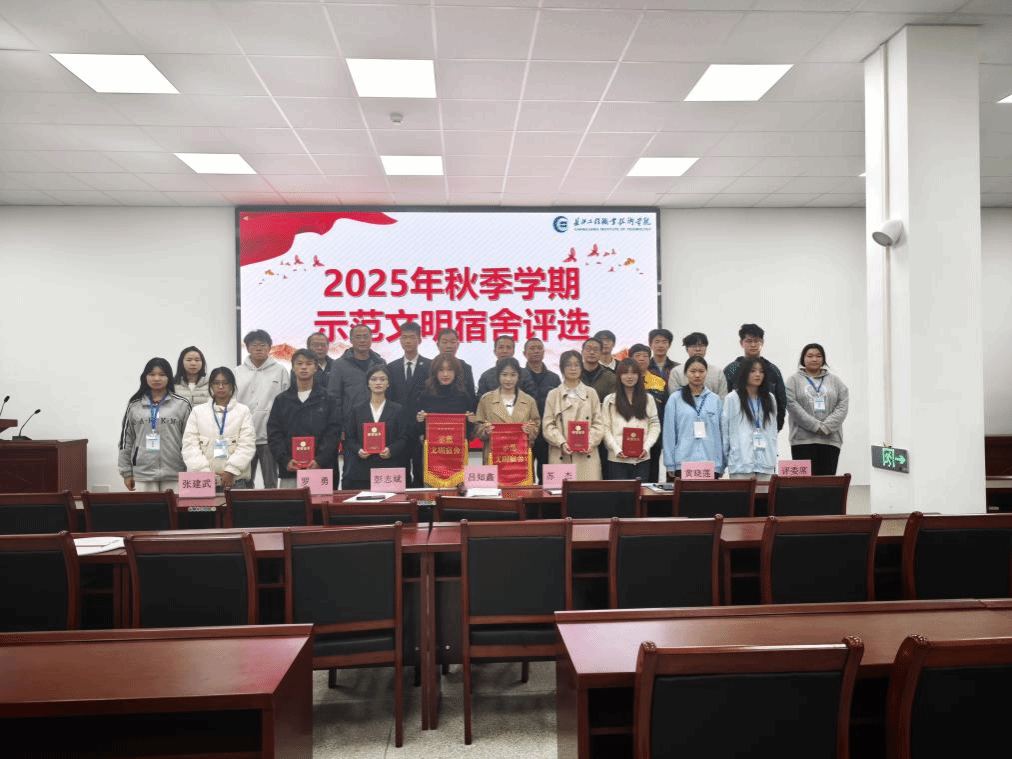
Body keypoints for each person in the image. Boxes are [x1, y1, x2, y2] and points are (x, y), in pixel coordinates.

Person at [267, 349, 342, 488]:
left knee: (321, 502)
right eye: (299, 363)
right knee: (292, 502)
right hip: (290, 470)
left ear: (315, 368)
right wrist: (286, 460)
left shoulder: (328, 399)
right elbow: (274, 434)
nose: (303, 367)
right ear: (293, 367)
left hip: (320, 469)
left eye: (308, 364)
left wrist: (319, 460)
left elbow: (333, 433)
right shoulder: (282, 400)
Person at [118, 357, 191, 492]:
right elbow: (126, 441)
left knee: (175, 506)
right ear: (145, 377)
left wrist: (192, 469)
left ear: (169, 377)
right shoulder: (134, 405)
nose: (157, 378)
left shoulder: (182, 404)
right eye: (152, 374)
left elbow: (190, 440)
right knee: (147, 507)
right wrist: (126, 472)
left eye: (162, 375)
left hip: (175, 472)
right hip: (143, 474)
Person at [181, 366, 256, 490]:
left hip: (235, 480)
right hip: (204, 481)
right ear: (211, 385)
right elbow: (189, 445)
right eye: (216, 383)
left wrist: (231, 471)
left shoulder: (243, 411)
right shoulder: (198, 412)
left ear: (232, 385)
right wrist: (205, 473)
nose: (221, 387)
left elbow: (247, 445)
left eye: (225, 383)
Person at [235, 329, 289, 488]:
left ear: (270, 348)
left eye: (263, 345)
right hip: (244, 436)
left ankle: (271, 505)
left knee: (271, 482)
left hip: (269, 437)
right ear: (247, 347)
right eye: (254, 345)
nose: (258, 348)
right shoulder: (238, 372)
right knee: (244, 482)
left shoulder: (280, 371)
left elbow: (286, 403)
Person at [786, 343, 849, 476]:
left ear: (823, 359)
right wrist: (815, 426)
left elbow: (842, 405)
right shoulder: (793, 381)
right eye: (810, 356)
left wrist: (826, 427)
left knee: (826, 483)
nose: (814, 359)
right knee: (803, 484)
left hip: (830, 440)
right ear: (803, 359)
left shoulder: (835, 381)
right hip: (801, 440)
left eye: (818, 356)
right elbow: (791, 405)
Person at [342, 366, 409, 490]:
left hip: (388, 468)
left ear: (388, 383)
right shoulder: (356, 409)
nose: (378, 382)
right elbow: (350, 438)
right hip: (361, 470)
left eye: (382, 379)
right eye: (374, 379)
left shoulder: (398, 410)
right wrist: (359, 450)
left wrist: (391, 450)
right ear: (368, 383)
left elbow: (404, 438)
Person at [542, 350, 605, 480]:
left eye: (577, 365)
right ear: (561, 368)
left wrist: (590, 442)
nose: (573, 369)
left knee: (586, 491)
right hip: (560, 455)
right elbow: (547, 426)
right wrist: (561, 443)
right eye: (568, 365)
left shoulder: (591, 393)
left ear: (581, 368)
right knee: (561, 492)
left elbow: (599, 424)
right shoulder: (553, 394)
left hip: (587, 456)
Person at [663, 356, 724, 478]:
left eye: (701, 371)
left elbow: (720, 434)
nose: (697, 375)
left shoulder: (715, 399)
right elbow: (669, 433)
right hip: (683, 462)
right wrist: (670, 464)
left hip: (710, 463)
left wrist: (720, 464)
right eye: (693, 371)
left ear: (706, 373)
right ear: (686, 373)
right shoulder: (675, 399)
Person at [387, 321, 431, 487]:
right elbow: (389, 400)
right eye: (404, 337)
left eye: (412, 337)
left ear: (419, 340)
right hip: (399, 431)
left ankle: (421, 503)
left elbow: (432, 398)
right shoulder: (391, 367)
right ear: (399, 340)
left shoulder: (430, 366)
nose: (407, 341)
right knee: (400, 473)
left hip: (421, 429)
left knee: (421, 473)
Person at [601, 359, 659, 480]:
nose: (629, 377)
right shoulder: (610, 400)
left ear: (639, 375)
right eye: (625, 373)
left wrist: (646, 447)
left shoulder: (648, 399)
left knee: (640, 492)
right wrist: (616, 449)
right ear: (619, 376)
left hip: (642, 459)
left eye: (633, 373)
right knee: (620, 492)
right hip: (617, 459)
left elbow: (654, 425)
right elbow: (605, 428)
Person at [474, 356, 540, 465]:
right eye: (504, 375)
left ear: (518, 377)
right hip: (494, 456)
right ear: (498, 376)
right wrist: (485, 431)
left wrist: (530, 430)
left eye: (513, 375)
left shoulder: (529, 401)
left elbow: (536, 424)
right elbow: (478, 425)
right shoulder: (487, 400)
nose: (508, 379)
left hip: (520, 458)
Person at [723, 323, 787, 432]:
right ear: (741, 343)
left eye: (757, 341)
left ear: (762, 343)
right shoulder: (731, 369)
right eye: (749, 341)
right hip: (739, 431)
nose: (753, 345)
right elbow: (724, 401)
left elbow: (781, 402)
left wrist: (775, 428)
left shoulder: (772, 369)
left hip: (765, 429)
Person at [722, 356, 778, 480]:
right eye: (753, 371)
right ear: (744, 373)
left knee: (765, 493)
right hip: (741, 462)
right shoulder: (732, 398)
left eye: (761, 371)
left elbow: (773, 432)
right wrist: (725, 459)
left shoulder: (770, 399)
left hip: (765, 462)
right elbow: (725, 432)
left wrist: (773, 456)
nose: (758, 374)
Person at [414, 353, 477, 450]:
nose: (445, 374)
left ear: (456, 372)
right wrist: (420, 420)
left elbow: (470, 432)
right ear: (434, 372)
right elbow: (419, 430)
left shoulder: (464, 396)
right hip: (433, 449)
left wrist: (471, 421)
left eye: (450, 370)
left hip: (456, 449)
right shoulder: (425, 395)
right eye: (441, 370)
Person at [520, 337, 561, 484]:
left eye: (539, 348)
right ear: (524, 353)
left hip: (547, 434)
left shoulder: (554, 378)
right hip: (524, 434)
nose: (536, 351)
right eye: (532, 348)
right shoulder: (518, 376)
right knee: (524, 475)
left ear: (544, 352)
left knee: (547, 477)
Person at [327, 323, 386, 424]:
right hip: (350, 422)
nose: (362, 340)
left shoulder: (380, 363)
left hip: (377, 421)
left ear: (371, 339)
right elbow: (334, 397)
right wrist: (339, 426)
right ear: (351, 340)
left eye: (365, 337)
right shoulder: (339, 364)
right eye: (358, 337)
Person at [630, 343, 669, 481]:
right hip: (630, 436)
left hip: (653, 436)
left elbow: (665, 409)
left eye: (645, 356)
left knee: (652, 474)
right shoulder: (625, 380)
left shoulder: (659, 382)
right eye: (637, 356)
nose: (641, 359)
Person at [667, 332, 728, 398]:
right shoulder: (676, 372)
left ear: (706, 348)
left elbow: (723, 397)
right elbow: (674, 397)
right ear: (687, 349)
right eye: (693, 346)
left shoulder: (717, 372)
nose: (698, 349)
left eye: (701, 346)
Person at [435, 328, 476, 403]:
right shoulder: (430, 366)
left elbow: (472, 397)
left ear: (458, 345)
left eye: (452, 342)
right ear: (438, 345)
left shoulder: (465, 367)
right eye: (444, 342)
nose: (449, 346)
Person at [580, 337, 616, 402]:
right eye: (588, 349)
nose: (592, 352)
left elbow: (612, 402)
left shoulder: (610, 377)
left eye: (596, 350)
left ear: (601, 353)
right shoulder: (573, 374)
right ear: (582, 352)